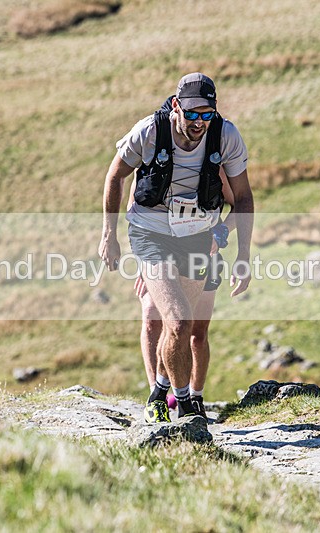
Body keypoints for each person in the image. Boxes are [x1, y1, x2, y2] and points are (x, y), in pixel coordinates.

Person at [99, 72, 254, 423]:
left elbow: (243, 198)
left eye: (207, 114)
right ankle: (184, 405)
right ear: (176, 107)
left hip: (199, 236)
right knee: (178, 320)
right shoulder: (149, 131)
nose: (200, 122)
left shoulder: (225, 135)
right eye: (193, 114)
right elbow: (115, 176)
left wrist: (243, 256)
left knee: (183, 328)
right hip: (150, 234)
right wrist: (109, 236)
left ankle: (160, 393)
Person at [131, 161, 237, 421]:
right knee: (153, 320)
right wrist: (143, 262)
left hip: (202, 255)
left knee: (196, 334)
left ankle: (195, 397)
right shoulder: (151, 159)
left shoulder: (213, 164)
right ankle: (157, 397)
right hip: (158, 251)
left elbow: (239, 205)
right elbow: (135, 210)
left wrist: (220, 233)